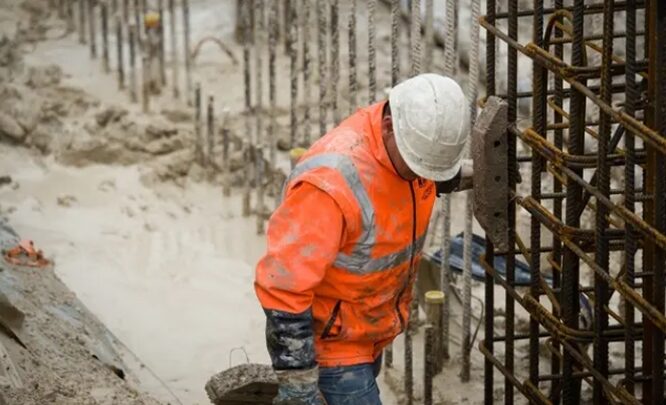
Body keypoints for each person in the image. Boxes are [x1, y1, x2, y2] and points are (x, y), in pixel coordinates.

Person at [255, 73, 471, 405]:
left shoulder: (410, 145)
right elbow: (283, 287)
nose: (424, 177)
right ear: (388, 126)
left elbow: (408, 185)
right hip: (334, 346)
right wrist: (298, 382)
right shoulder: (329, 184)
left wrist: (466, 174)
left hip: (371, 326)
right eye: (419, 166)